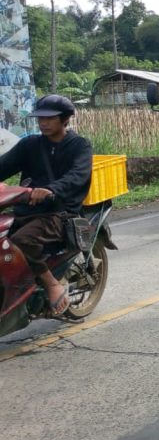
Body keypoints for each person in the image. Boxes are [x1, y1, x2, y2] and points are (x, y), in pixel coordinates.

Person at [0, 94, 93, 315]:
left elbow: (77, 176)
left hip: (59, 213)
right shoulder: (30, 144)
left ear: (66, 119)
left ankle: (51, 283)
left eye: (50, 118)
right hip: (26, 209)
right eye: (40, 118)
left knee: (22, 240)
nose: (44, 123)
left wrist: (51, 190)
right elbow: (3, 166)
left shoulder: (79, 145)